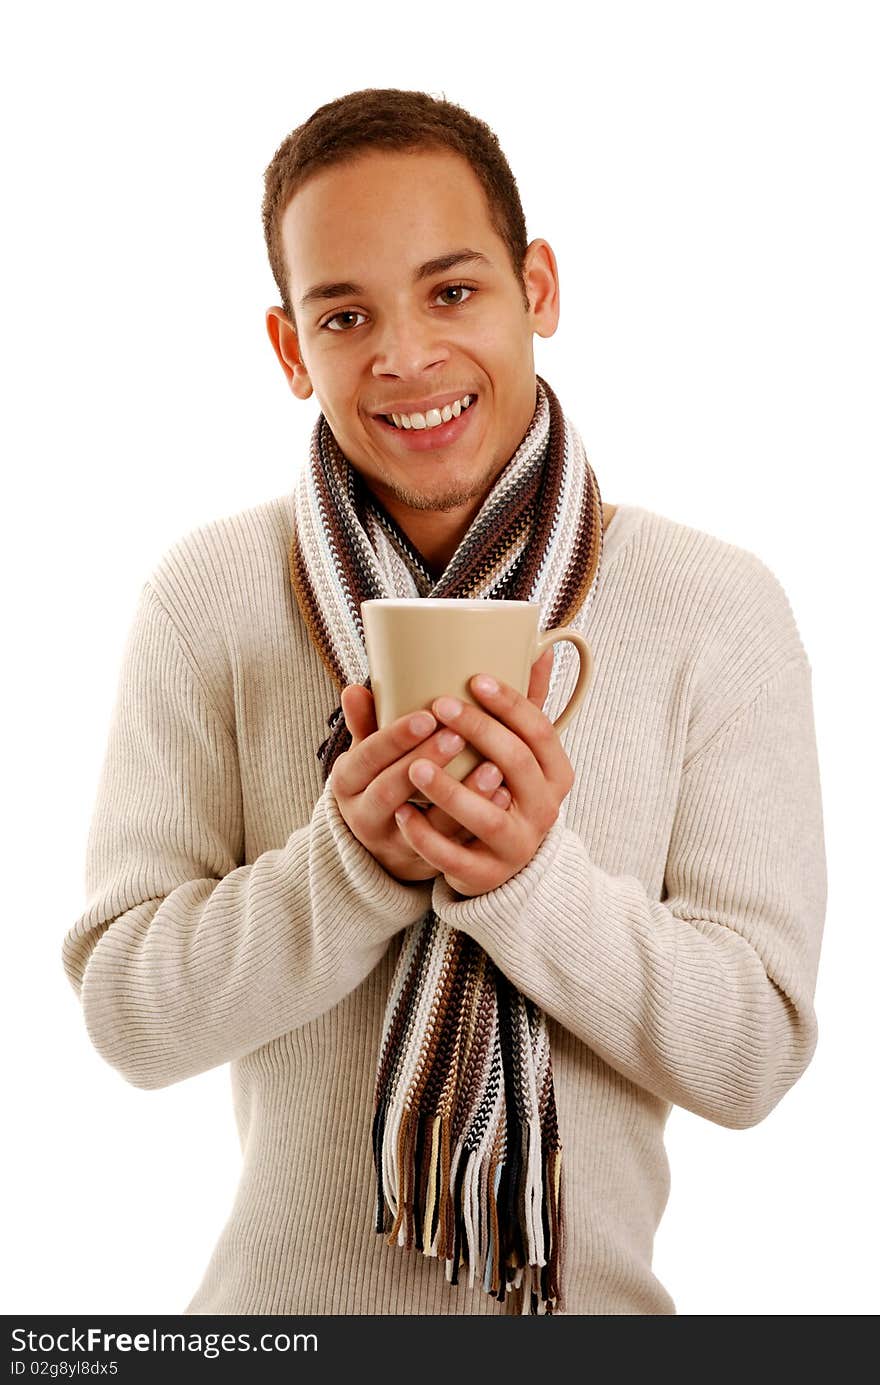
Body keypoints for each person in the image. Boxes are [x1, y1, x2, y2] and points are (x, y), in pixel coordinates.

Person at [61, 88, 827, 1316]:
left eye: (453, 290)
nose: (404, 355)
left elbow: (751, 1054)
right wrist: (350, 866)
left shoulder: (712, 607)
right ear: (287, 348)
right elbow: (129, 1014)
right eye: (345, 313)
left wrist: (530, 886)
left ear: (540, 289)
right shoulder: (211, 596)